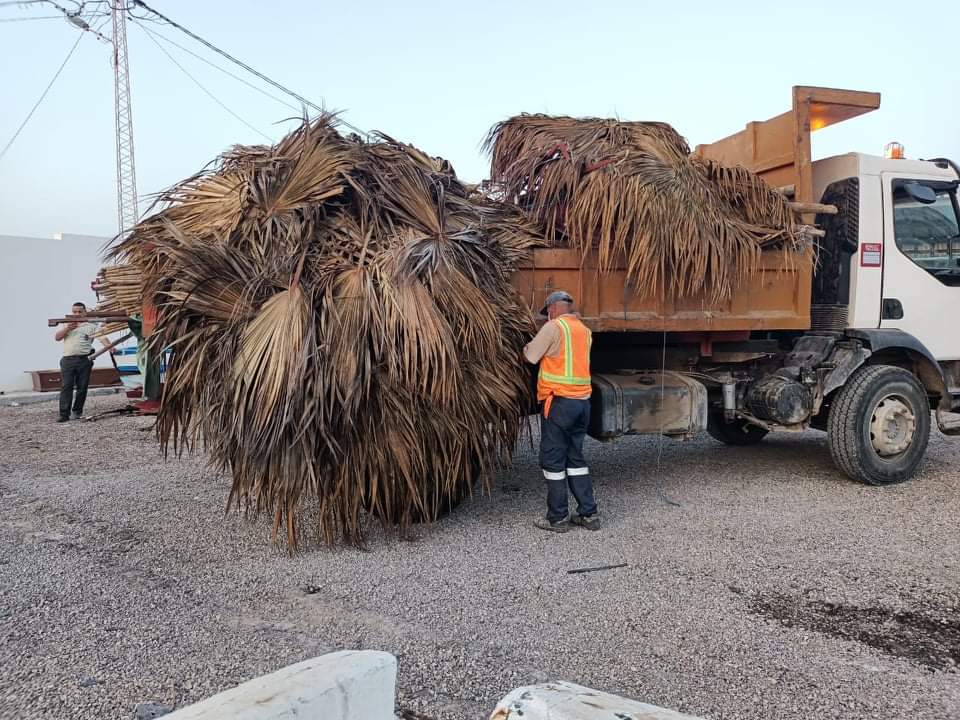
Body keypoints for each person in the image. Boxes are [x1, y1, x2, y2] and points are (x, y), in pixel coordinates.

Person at [523, 290, 600, 533]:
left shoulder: (554, 327)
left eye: (548, 313)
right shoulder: (584, 331)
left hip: (559, 404)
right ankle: (589, 514)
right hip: (582, 403)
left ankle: (557, 518)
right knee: (575, 458)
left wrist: (525, 348)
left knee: (553, 460)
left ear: (553, 309)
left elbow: (531, 357)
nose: (548, 317)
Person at [54, 302, 97, 422]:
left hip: (84, 359)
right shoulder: (65, 324)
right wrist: (68, 328)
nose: (77, 314)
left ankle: (77, 411)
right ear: (71, 312)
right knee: (66, 386)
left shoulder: (90, 326)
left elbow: (95, 338)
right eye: (74, 311)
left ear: (84, 312)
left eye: (80, 311)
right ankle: (64, 414)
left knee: (82, 387)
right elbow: (57, 338)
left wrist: (110, 347)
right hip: (67, 360)